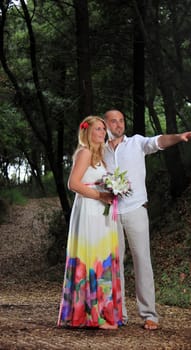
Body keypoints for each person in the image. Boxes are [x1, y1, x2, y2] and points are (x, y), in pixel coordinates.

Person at [103, 109, 191, 330]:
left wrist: (179, 137)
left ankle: (149, 314)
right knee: (113, 264)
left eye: (121, 120)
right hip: (110, 212)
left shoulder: (136, 143)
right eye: (113, 121)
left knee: (142, 261)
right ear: (104, 125)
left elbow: (158, 141)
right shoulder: (100, 150)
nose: (119, 124)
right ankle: (117, 315)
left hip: (136, 209)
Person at [57, 116, 122, 330]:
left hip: (102, 212)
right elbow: (73, 183)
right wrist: (98, 195)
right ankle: (93, 316)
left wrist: (114, 191)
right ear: (87, 132)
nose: (102, 132)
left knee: (102, 256)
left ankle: (100, 311)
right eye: (98, 129)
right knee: (92, 257)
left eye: (104, 128)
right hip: (88, 210)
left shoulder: (101, 157)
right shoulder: (84, 152)